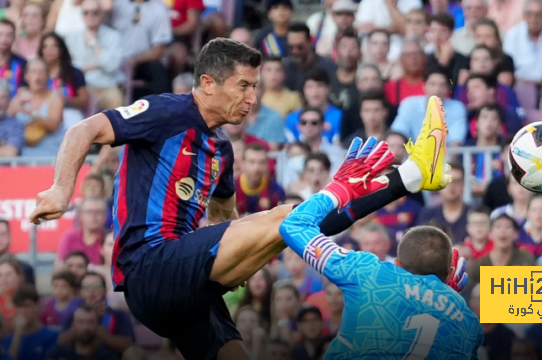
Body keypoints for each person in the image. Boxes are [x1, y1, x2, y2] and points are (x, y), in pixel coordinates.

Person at [30, 37, 460, 360]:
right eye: (243, 86)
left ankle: (412, 175)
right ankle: (409, 174)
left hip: (189, 289)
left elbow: (228, 220)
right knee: (285, 221)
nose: (253, 98)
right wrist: (61, 188)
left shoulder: (221, 149)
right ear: (207, 83)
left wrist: (244, 257)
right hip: (150, 265)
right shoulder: (167, 111)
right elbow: (81, 130)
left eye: (255, 87)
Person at [278, 138, 480, 358]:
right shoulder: (469, 324)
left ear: (398, 264)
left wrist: (339, 189)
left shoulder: (369, 273)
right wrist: (445, 297)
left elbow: (293, 225)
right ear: (450, 273)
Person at [2, 284, 58, 360]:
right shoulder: (8, 340)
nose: (23, 311)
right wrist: (18, 333)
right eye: (19, 306)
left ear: (37, 306)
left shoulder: (52, 336)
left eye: (27, 306)